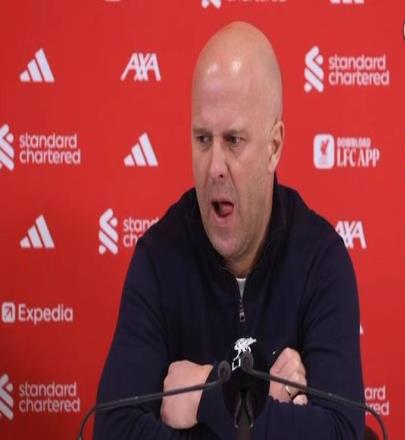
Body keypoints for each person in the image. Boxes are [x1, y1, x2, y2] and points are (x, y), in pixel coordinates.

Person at [94, 21, 364, 439]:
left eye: (234, 140)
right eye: (203, 139)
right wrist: (265, 406)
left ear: (274, 146)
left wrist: (208, 398)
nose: (214, 167)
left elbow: (342, 432)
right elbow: (114, 429)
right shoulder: (159, 258)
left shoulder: (320, 259)